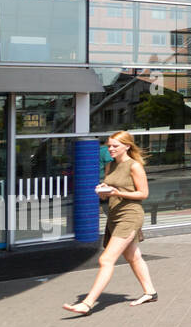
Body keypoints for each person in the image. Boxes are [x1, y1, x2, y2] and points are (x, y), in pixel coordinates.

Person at [62, 131, 158, 314]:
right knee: (133, 256)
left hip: (130, 215)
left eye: (115, 145)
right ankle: (150, 292)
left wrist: (116, 193)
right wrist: (103, 191)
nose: (110, 149)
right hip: (114, 215)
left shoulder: (135, 166)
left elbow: (143, 194)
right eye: (109, 145)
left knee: (106, 259)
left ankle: (87, 303)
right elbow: (112, 190)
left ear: (127, 146)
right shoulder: (110, 166)